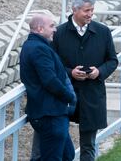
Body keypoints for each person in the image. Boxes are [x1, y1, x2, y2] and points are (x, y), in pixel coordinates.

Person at [52, 0, 119, 161]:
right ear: (75, 10)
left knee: (88, 146)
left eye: (92, 10)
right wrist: (70, 73)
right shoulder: (59, 33)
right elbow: (53, 64)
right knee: (59, 141)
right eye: (86, 10)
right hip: (66, 95)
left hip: (92, 94)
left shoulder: (103, 32)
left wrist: (99, 72)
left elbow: (112, 60)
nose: (90, 14)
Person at [20, 13, 77, 161]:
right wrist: (70, 97)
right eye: (51, 26)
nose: (55, 30)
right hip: (50, 114)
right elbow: (49, 80)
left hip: (51, 113)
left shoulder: (35, 45)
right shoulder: (39, 48)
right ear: (39, 29)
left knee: (67, 155)